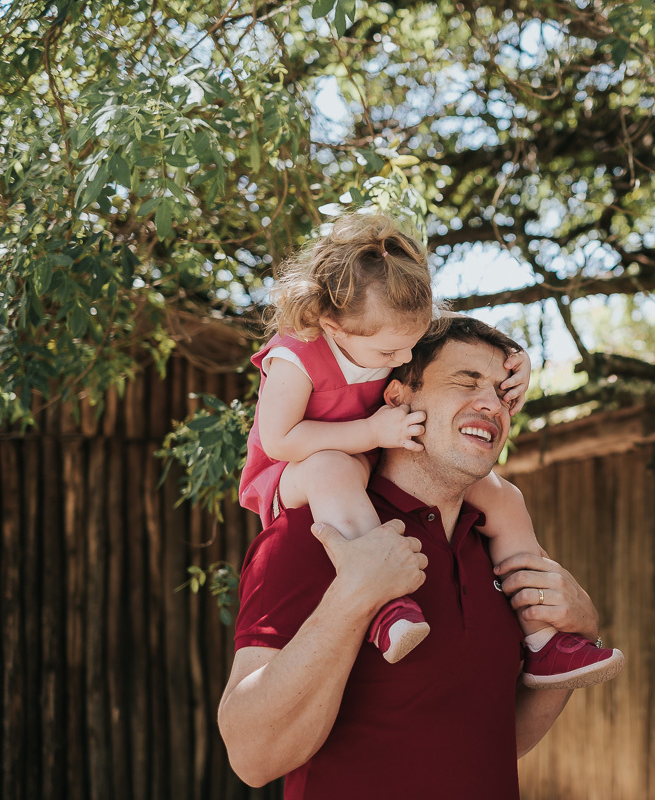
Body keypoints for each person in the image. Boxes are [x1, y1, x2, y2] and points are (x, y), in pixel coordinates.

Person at [220, 315, 622, 797]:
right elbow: (252, 758)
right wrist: (353, 598)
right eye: (466, 382)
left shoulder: (498, 544)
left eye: (504, 394)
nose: (492, 404)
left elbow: (498, 740)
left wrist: (581, 630)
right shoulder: (311, 534)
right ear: (396, 397)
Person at [238, 212, 620, 685]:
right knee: (333, 469)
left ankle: (544, 639)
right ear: (333, 326)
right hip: (297, 470)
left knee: (502, 495)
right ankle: (383, 604)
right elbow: (280, 441)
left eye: (412, 344)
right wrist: (373, 432)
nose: (403, 359)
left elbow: (455, 338)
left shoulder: (387, 327)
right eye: (390, 355)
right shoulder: (296, 356)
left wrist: (515, 355)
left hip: (373, 444)